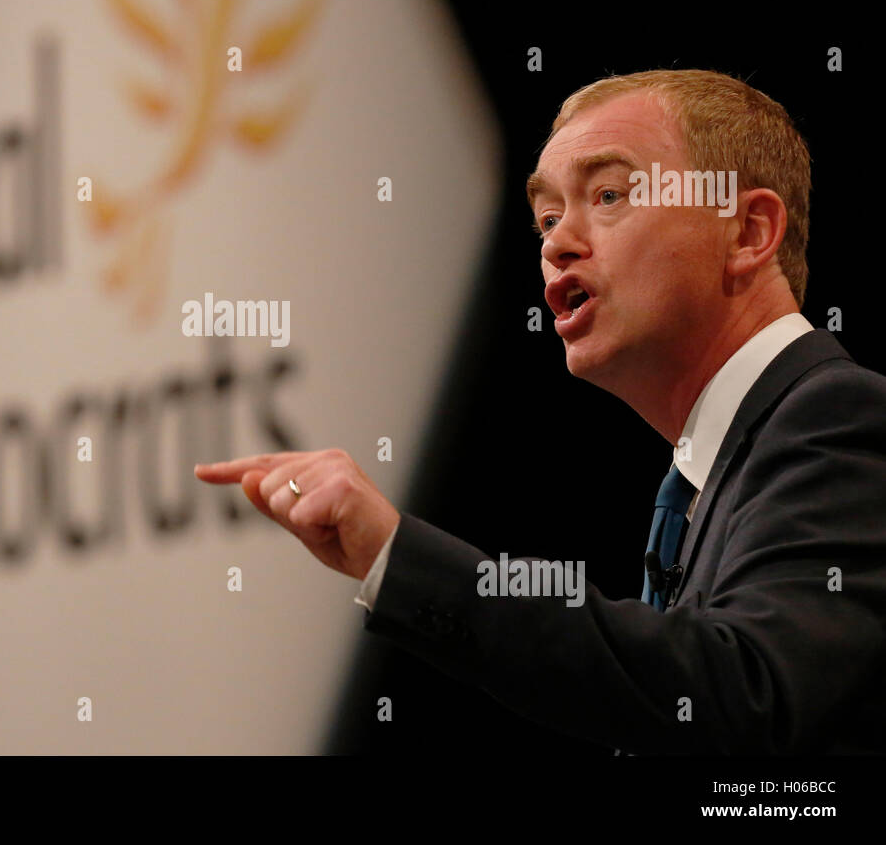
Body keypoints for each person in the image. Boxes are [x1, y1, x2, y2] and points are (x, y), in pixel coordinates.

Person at [193, 69, 886, 754]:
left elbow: (744, 694)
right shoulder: (718, 475)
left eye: (609, 194)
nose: (555, 245)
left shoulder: (842, 418)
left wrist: (399, 557)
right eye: (547, 219)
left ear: (748, 231)